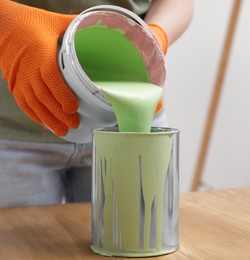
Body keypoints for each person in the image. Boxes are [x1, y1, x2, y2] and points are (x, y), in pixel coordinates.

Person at [0, 0, 193, 208]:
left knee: (143, 236)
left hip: (128, 129)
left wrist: (156, 34)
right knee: (22, 240)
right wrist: (6, 20)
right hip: (12, 128)